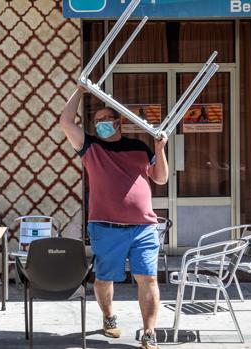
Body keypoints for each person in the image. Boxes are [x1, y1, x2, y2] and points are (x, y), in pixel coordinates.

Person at [60, 85, 169, 349]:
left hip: (143, 227)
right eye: (96, 122)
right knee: (104, 278)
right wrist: (79, 90)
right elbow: (65, 121)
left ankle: (149, 332)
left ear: (118, 122)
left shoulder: (139, 147)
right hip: (106, 227)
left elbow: (161, 178)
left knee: (149, 278)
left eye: (105, 120)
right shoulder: (90, 147)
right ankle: (109, 317)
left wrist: (159, 147)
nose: (100, 125)